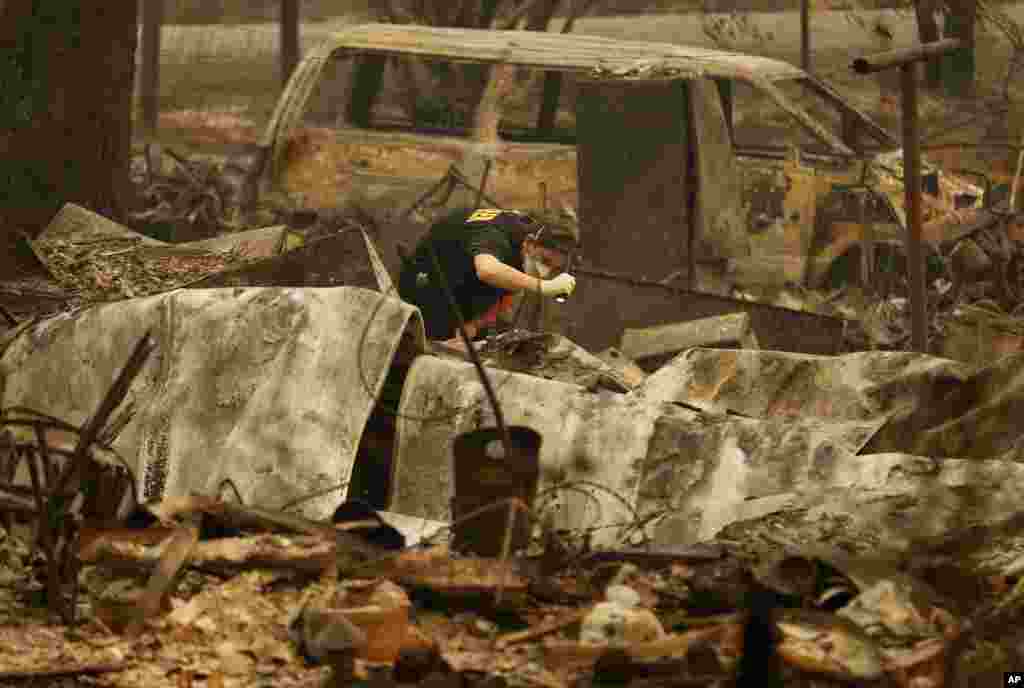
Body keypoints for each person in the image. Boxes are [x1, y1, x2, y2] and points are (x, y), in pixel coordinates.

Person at [398, 206, 579, 349]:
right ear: (530, 243)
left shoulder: (524, 246)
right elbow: (487, 271)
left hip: (463, 290)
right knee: (426, 350)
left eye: (554, 268)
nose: (546, 272)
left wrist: (475, 324)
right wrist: (543, 286)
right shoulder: (494, 234)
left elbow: (505, 293)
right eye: (545, 261)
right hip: (426, 283)